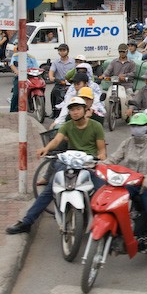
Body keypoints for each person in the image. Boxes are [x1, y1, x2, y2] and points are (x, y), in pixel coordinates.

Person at [6, 97, 106, 234]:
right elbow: (57, 140)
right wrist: (46, 149)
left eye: (78, 109)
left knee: (102, 190)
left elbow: (101, 150)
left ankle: (105, 225)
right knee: (50, 189)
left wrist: (101, 156)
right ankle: (27, 222)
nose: (75, 112)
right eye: (72, 109)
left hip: (89, 164)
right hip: (69, 162)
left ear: (85, 110)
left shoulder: (96, 126)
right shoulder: (67, 126)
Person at [100, 113, 147, 272]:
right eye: (133, 125)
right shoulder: (127, 143)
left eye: (139, 125)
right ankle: (120, 238)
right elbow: (114, 158)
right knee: (115, 207)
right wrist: (101, 166)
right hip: (129, 184)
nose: (136, 128)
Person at [9, 44, 38, 112]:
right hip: (19, 77)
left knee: (39, 88)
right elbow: (12, 65)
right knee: (16, 94)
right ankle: (13, 111)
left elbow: (36, 67)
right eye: (20, 50)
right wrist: (16, 71)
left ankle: (41, 109)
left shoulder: (31, 58)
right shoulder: (15, 56)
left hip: (30, 77)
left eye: (24, 49)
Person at [49, 43, 75, 118]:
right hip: (59, 83)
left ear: (67, 51)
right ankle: (54, 111)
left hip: (71, 83)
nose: (62, 52)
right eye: (60, 50)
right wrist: (51, 77)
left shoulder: (73, 62)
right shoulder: (55, 62)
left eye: (64, 50)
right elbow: (51, 71)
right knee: (53, 93)